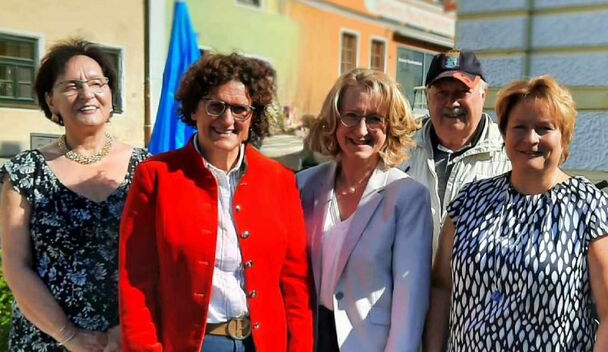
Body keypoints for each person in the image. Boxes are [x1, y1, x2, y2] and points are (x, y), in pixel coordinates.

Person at [119, 53, 314, 351]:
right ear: (195, 110)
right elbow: (136, 281)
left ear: (253, 116)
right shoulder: (156, 177)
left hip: (262, 344)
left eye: (240, 109)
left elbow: (295, 284)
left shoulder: (281, 180)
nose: (226, 120)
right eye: (215, 106)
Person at [426, 75, 608, 351]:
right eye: (519, 127)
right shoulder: (469, 201)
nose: (530, 139)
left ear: (565, 136)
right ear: (505, 133)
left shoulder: (594, 210)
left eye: (544, 128)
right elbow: (442, 287)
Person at [0, 39, 149, 351]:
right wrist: (71, 337)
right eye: (71, 86)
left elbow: (163, 259)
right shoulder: (24, 173)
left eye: (97, 83)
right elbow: (15, 265)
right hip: (47, 339)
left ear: (110, 95)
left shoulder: (147, 168)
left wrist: (127, 331)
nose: (87, 94)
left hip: (130, 340)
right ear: (51, 101)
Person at [298, 68, 432, 351]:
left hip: (369, 344)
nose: (361, 130)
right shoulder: (304, 185)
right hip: (307, 338)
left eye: (374, 119)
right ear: (334, 121)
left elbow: (410, 300)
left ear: (390, 127)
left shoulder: (408, 197)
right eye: (352, 116)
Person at [403, 49, 510, 253]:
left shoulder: (508, 155)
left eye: (462, 92)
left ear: (483, 94)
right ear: (427, 98)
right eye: (442, 93)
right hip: (409, 284)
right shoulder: (401, 152)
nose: (452, 103)